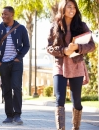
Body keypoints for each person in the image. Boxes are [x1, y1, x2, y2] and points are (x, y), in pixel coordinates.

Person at [47, 0, 95, 129]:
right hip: (60, 66)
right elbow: (49, 48)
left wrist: (78, 47)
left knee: (77, 102)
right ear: (63, 9)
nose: (72, 9)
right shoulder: (54, 27)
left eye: (74, 7)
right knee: (60, 99)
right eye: (69, 7)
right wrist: (64, 51)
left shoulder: (82, 26)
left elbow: (92, 45)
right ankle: (61, 128)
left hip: (76, 66)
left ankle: (75, 127)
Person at [0, 6, 30, 125]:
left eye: (5, 14)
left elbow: (26, 45)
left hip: (16, 63)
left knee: (16, 87)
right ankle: (9, 115)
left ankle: (17, 115)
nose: (3, 16)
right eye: (2, 14)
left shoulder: (21, 28)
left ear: (12, 15)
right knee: (6, 89)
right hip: (3, 63)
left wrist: (19, 58)